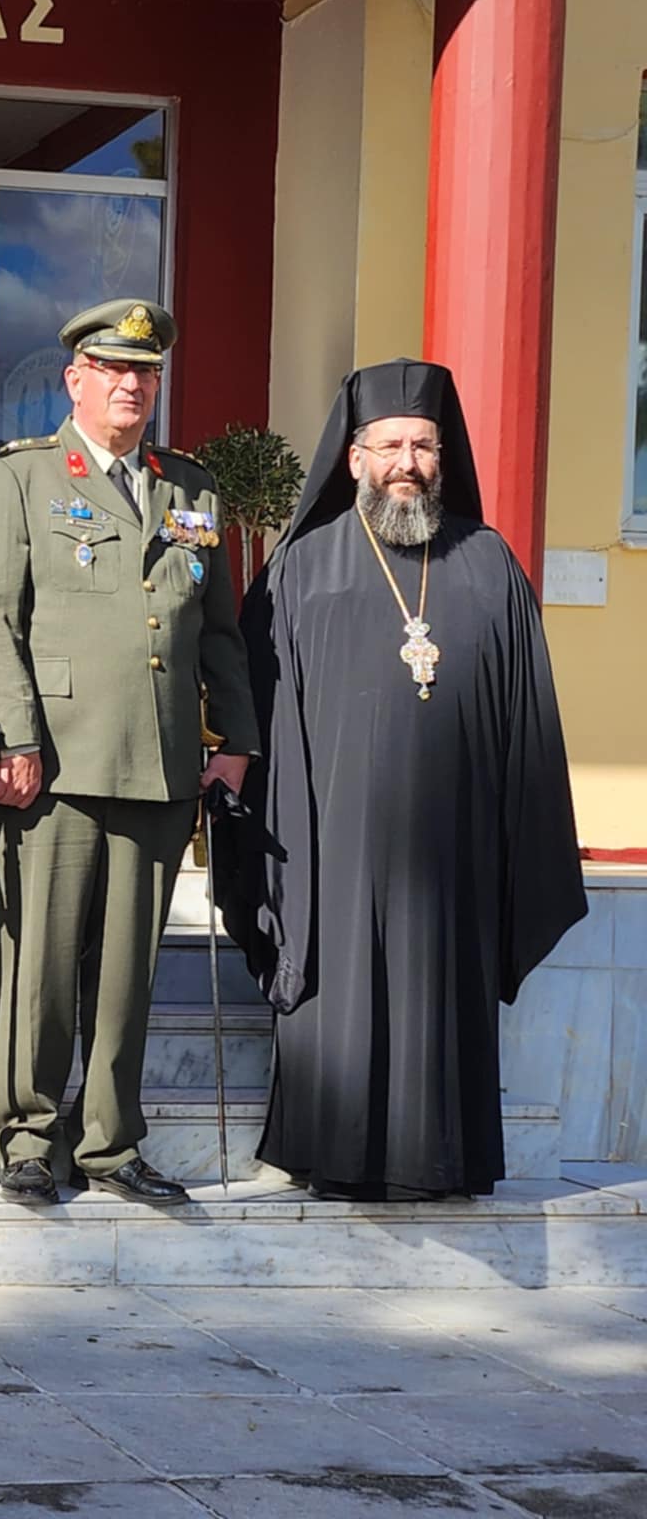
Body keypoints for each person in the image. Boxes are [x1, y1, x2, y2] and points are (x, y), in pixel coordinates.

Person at [217, 359, 586, 1200]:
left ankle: (444, 1160)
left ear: (442, 457)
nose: (407, 464)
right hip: (334, 846)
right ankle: (332, 1155)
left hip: (456, 848)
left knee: (441, 997)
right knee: (340, 994)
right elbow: (260, 719)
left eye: (423, 446)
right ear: (354, 458)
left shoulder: (489, 563)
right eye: (389, 447)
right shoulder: (301, 570)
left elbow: (528, 720)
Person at [0, 299, 256, 1208]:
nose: (132, 385)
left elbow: (219, 633)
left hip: (158, 759)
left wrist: (235, 742)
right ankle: (26, 1138)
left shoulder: (190, 488)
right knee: (43, 966)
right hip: (51, 766)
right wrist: (14, 737)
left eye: (146, 372)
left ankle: (110, 1142)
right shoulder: (22, 477)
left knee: (127, 972)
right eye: (114, 369)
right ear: (75, 380)